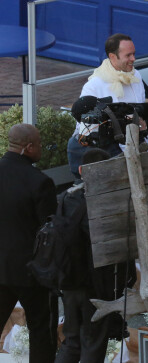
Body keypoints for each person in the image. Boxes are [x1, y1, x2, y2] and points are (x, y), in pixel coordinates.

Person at [56, 148, 136, 363]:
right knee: (94, 341)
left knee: (71, 340)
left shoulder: (65, 199)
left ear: (81, 170)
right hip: (97, 282)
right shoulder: (109, 204)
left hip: (70, 281)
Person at [0, 124, 57, 363]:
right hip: (31, 271)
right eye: (40, 144)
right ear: (29, 146)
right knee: (41, 330)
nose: (41, 149)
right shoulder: (40, 182)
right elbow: (49, 232)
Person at [68, 33, 146, 179]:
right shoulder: (94, 85)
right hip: (110, 154)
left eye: (134, 54)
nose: (133, 59)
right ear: (112, 57)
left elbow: (140, 111)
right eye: (128, 55)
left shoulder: (136, 76)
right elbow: (84, 129)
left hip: (136, 147)